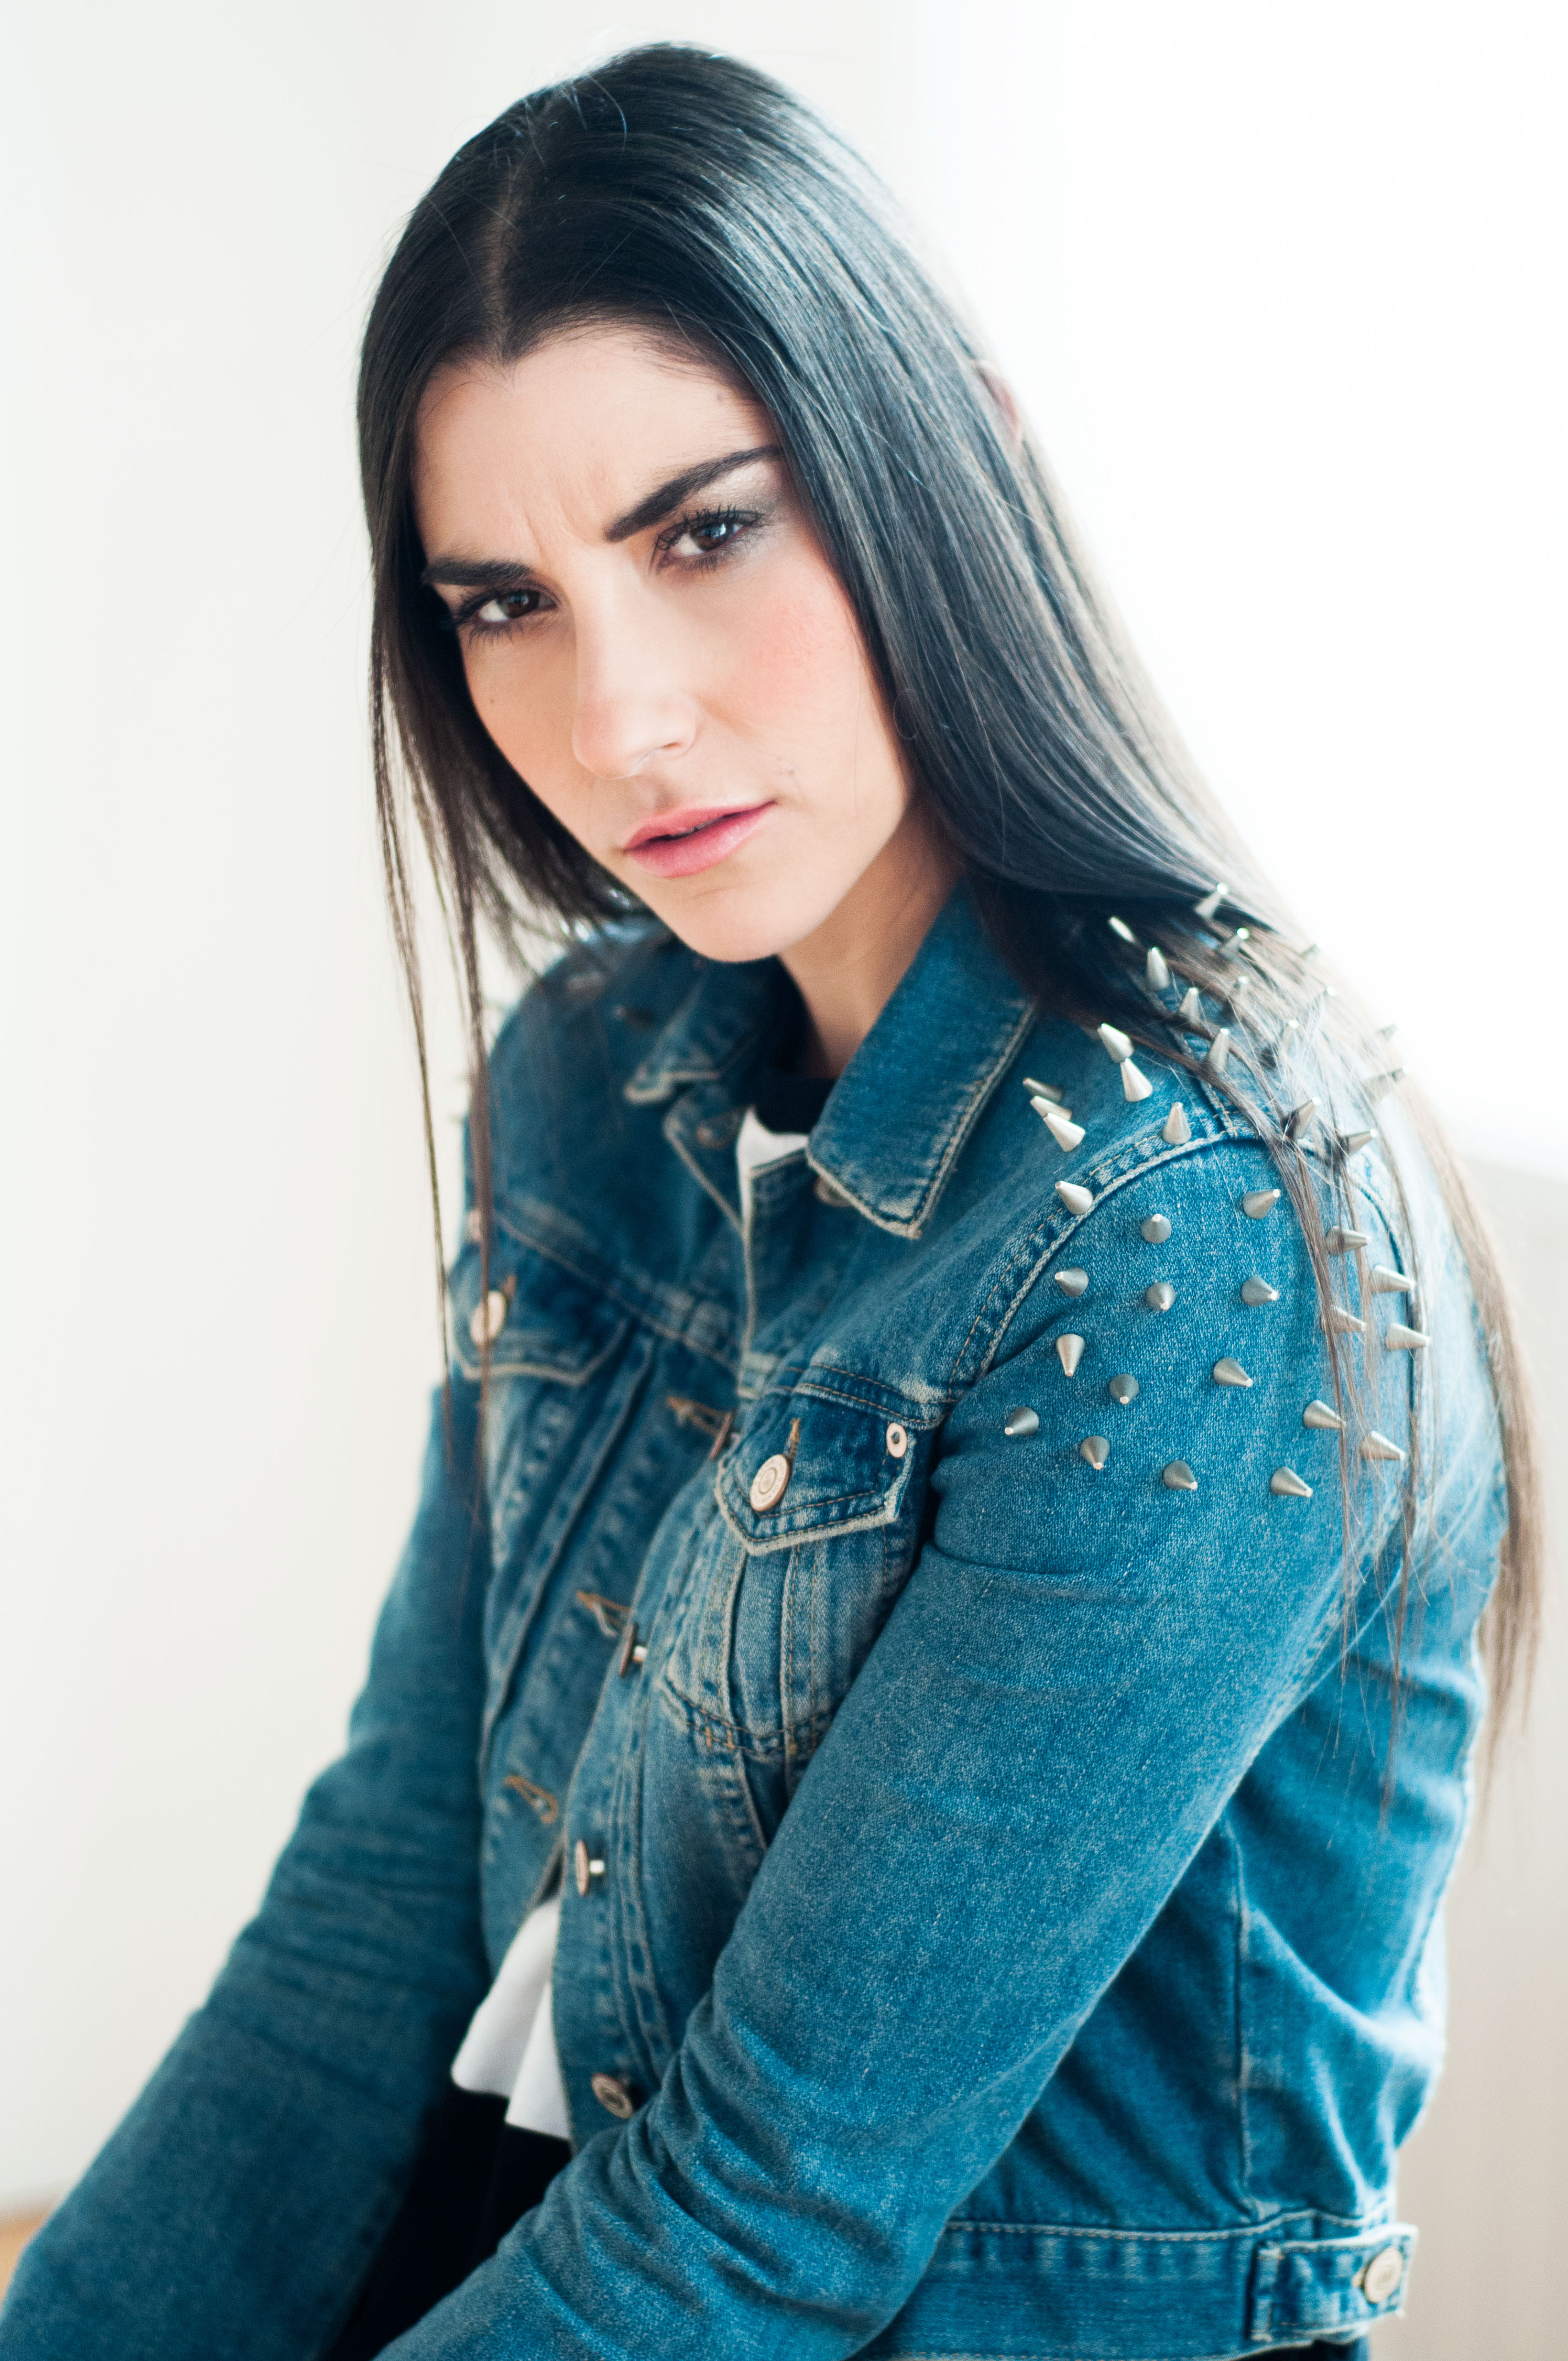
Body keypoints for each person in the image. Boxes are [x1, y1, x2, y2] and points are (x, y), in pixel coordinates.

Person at [0, 43, 1539, 2361]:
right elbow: (381, 1899)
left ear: (952, 467)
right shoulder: (593, 1073)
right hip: (572, 2228)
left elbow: (771, 2213)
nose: (615, 721)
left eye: (705, 532)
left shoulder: (1189, 1220)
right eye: (504, 602)